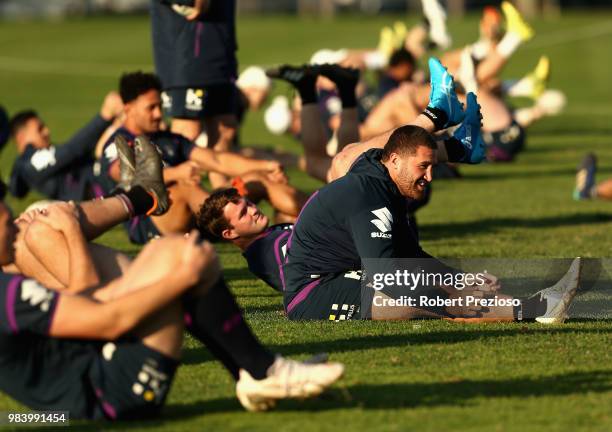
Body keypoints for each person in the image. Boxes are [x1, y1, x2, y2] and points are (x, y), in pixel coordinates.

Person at [0, 140, 344, 418]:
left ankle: (142, 196)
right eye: (5, 224)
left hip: (92, 364)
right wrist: (179, 279)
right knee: (181, 256)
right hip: (111, 392)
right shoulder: (6, 298)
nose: (11, 228)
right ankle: (264, 371)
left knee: (41, 230)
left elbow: (84, 306)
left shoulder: (7, 282)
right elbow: (104, 320)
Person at [281, 61, 581, 323]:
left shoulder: (383, 177)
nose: (430, 176)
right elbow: (387, 277)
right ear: (395, 161)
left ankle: (536, 304)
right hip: (311, 293)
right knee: (409, 299)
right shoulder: (368, 195)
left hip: (343, 273)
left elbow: (412, 255)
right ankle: (535, 308)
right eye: (423, 166)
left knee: (428, 286)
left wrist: (462, 279)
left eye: (433, 164)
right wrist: (452, 290)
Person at [99, 71, 307, 243]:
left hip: (198, 213)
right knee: (185, 186)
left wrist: (265, 165)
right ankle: (240, 231)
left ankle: (319, 216)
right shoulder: (119, 143)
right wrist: (176, 172)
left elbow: (217, 160)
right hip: (152, 222)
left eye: (160, 106)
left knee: (259, 178)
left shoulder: (169, 138)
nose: (158, 114)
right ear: (128, 109)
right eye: (150, 108)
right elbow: (126, 175)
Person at [151, 0, 240, 189]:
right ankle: (173, 201)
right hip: (186, 54)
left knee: (225, 128)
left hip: (221, 48)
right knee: (187, 130)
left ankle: (223, 201)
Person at [7, 92, 123, 201]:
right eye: (40, 129)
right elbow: (72, 150)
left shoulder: (26, 166)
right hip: (104, 185)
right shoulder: (30, 164)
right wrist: (104, 116)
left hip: (104, 174)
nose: (47, 131)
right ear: (22, 137)